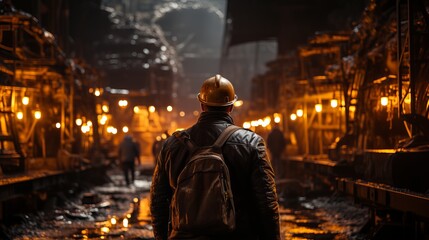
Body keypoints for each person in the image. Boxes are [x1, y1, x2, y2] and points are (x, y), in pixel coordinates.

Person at [150, 74, 280, 240]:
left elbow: (158, 201)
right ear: (230, 107)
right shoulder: (251, 143)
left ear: (202, 105)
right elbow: (267, 202)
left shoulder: (173, 145)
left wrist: (162, 237)